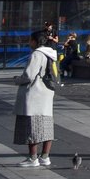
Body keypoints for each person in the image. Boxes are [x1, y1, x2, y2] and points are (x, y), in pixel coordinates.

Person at [13, 29, 58, 168]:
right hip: (46, 93)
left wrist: (17, 80)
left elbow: (29, 75)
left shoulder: (37, 55)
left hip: (34, 94)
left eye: (30, 40)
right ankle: (45, 156)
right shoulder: (51, 54)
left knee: (31, 126)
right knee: (46, 125)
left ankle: (33, 158)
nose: (29, 42)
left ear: (35, 41)